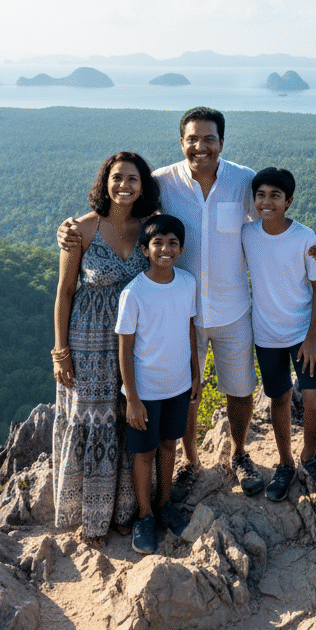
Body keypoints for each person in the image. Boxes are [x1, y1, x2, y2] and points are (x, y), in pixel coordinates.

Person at [59, 108, 316, 500]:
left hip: (233, 308)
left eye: (209, 139)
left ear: (222, 142)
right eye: (192, 139)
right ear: (181, 141)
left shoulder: (242, 181)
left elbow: (273, 218)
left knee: (240, 390)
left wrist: (314, 241)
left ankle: (238, 454)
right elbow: (122, 207)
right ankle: (190, 460)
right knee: (185, 392)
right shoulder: (163, 183)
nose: (200, 146)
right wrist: (70, 226)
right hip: (179, 311)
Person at [51, 152, 160, 547]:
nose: (124, 186)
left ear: (142, 185)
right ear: (105, 181)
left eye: (133, 179)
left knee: (129, 417)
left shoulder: (149, 227)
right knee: (94, 419)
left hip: (137, 338)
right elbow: (64, 293)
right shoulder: (81, 228)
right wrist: (60, 350)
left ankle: (127, 510)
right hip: (90, 339)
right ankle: (93, 515)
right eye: (117, 178)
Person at [242, 167, 316, 500]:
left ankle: (310, 456)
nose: (266, 202)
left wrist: (312, 337)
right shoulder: (247, 234)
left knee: (315, 402)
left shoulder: (305, 238)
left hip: (303, 334)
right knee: (279, 398)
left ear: (289, 201)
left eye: (275, 195)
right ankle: (285, 463)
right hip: (266, 334)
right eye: (260, 195)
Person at [116, 215, 199, 554]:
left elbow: (190, 328)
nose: (166, 249)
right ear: (145, 250)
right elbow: (125, 347)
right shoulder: (134, 293)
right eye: (158, 244)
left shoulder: (187, 283)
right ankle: (146, 515)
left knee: (169, 445)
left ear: (181, 248)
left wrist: (196, 372)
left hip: (178, 385)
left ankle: (165, 504)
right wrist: (132, 398)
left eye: (173, 243)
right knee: (144, 452)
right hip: (145, 391)